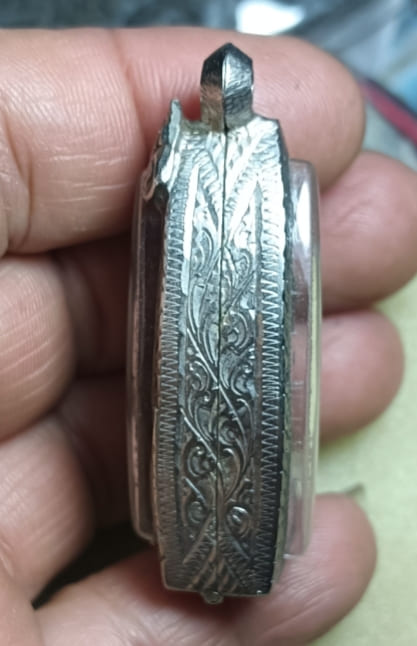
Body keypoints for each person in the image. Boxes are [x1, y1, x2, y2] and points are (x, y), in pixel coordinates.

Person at [0, 27, 415, 646]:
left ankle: (226, 555)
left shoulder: (252, 148)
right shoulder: (205, 151)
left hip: (223, 488)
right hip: (197, 486)